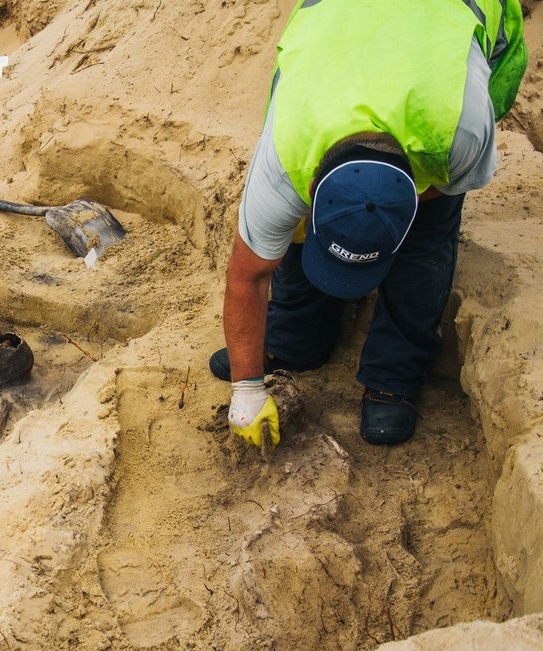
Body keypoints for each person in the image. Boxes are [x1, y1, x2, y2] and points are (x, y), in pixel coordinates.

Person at [210, 0, 527, 448]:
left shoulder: (461, 131)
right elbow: (247, 274)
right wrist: (246, 389)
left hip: (454, 31)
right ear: (311, 187)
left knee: (428, 238)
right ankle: (296, 336)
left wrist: (400, 208)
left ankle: (394, 376)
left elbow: (451, 186)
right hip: (333, 29)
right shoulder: (285, 157)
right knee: (293, 231)